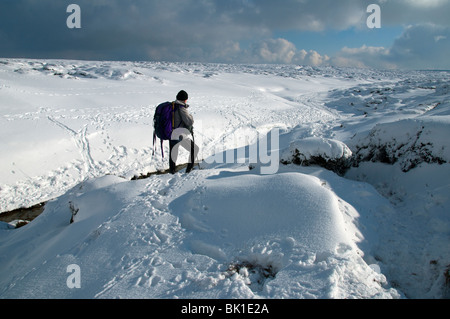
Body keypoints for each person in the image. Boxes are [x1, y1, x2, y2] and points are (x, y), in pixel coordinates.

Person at [169, 90, 199, 174]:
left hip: (171, 133)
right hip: (180, 134)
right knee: (194, 149)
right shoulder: (181, 108)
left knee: (173, 153)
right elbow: (189, 122)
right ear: (185, 99)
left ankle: (172, 172)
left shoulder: (172, 106)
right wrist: (191, 116)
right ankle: (188, 171)